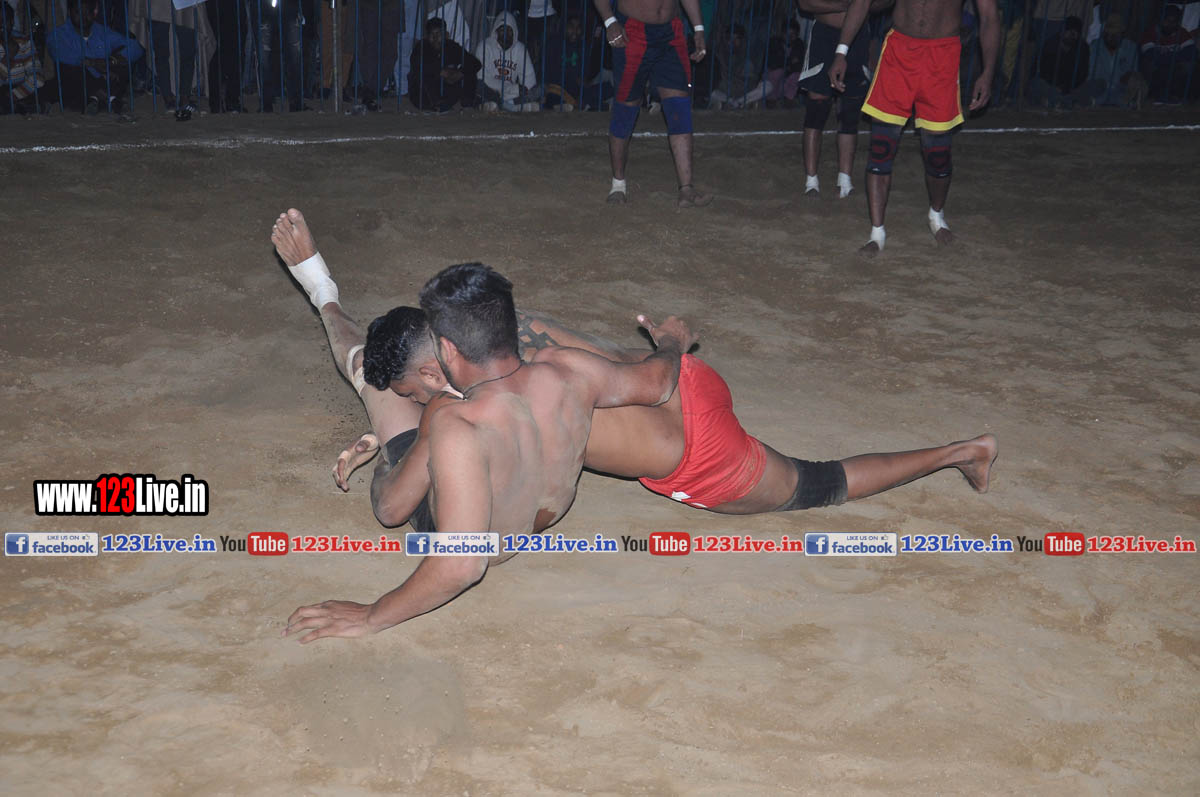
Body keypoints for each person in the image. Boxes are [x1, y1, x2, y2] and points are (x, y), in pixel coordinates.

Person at [270, 209, 999, 643]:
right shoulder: (551, 357)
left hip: (696, 452)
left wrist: (372, 613)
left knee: (820, 485)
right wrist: (674, 342)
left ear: (449, 357)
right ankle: (961, 449)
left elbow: (453, 554)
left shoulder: (455, 416)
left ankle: (321, 289)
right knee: (819, 480)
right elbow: (655, 377)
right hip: (668, 382)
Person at [830, 0, 999, 256]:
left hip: (942, 55)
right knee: (882, 146)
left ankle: (936, 215)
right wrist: (841, 52)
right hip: (898, 52)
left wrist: (988, 73)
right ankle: (877, 233)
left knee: (938, 153)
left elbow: (989, 16)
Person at [592, 0, 711, 207]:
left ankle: (686, 188)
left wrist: (698, 28)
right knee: (626, 109)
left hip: (671, 32)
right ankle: (618, 185)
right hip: (632, 31)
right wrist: (610, 21)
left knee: (679, 108)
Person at [796, 0, 892, 199]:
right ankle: (811, 181)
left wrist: (864, 5)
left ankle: (845, 179)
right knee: (816, 109)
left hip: (858, 36)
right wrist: (850, 6)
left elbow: (886, 2)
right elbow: (805, 4)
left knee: (850, 111)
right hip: (824, 35)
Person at [46, 0, 144, 114]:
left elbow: (136, 47)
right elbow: (60, 53)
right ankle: (110, 99)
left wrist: (111, 61)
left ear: (95, 12)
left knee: (123, 60)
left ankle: (98, 98)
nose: (83, 17)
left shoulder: (102, 31)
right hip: (81, 83)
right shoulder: (59, 34)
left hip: (104, 78)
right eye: (78, 12)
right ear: (69, 12)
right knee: (71, 69)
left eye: (87, 12)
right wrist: (94, 64)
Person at [408, 16, 480, 110]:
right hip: (424, 93)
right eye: (432, 34)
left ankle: (467, 101)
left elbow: (475, 62)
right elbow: (417, 64)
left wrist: (460, 73)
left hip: (447, 86)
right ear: (427, 36)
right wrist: (440, 72)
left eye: (438, 34)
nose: (435, 38)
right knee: (423, 74)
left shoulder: (451, 46)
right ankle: (436, 105)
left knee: (469, 71)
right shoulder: (421, 46)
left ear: (445, 34)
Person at [476, 11, 542, 111]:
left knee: (539, 90)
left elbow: (529, 80)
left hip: (511, 94)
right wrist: (510, 89)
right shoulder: (484, 46)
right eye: (502, 29)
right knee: (478, 85)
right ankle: (512, 106)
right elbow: (482, 77)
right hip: (491, 90)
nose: (506, 34)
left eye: (509, 30)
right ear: (496, 31)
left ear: (514, 32)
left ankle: (502, 105)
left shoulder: (520, 49)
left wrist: (520, 90)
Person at [1082, 13, 1147, 108]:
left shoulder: (1130, 47)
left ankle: (1123, 102)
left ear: (1122, 34)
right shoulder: (1095, 46)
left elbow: (1133, 73)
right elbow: (1091, 74)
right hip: (1101, 88)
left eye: (1114, 35)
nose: (1110, 38)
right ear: (1104, 33)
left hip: (1121, 89)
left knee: (1136, 80)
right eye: (1107, 34)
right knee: (1096, 86)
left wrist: (1128, 77)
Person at [1139, 5, 1196, 104]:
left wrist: (1166, 59)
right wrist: (1175, 58)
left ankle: (1177, 96)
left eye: (1174, 22)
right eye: (1167, 21)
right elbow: (1150, 55)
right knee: (1149, 64)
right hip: (1157, 71)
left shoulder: (1182, 32)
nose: (1170, 25)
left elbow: (1191, 52)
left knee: (1189, 66)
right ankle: (1153, 95)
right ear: (1160, 20)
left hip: (1173, 69)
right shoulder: (1150, 33)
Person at [1028, 15, 1089, 108]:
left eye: (1075, 33)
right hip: (1050, 86)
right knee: (1036, 84)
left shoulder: (1083, 48)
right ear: (1062, 30)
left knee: (1099, 84)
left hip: (1071, 88)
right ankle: (1067, 101)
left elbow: (1082, 74)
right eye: (1068, 31)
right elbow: (1043, 72)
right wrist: (1057, 88)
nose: (1071, 35)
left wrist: (1065, 88)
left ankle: (1059, 101)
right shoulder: (1050, 44)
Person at [709, 24, 773, 109]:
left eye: (737, 38)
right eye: (730, 38)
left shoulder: (748, 55)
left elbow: (751, 81)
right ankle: (735, 103)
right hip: (724, 90)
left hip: (744, 91)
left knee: (768, 85)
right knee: (712, 92)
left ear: (742, 40)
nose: (733, 42)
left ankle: (737, 103)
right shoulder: (719, 54)